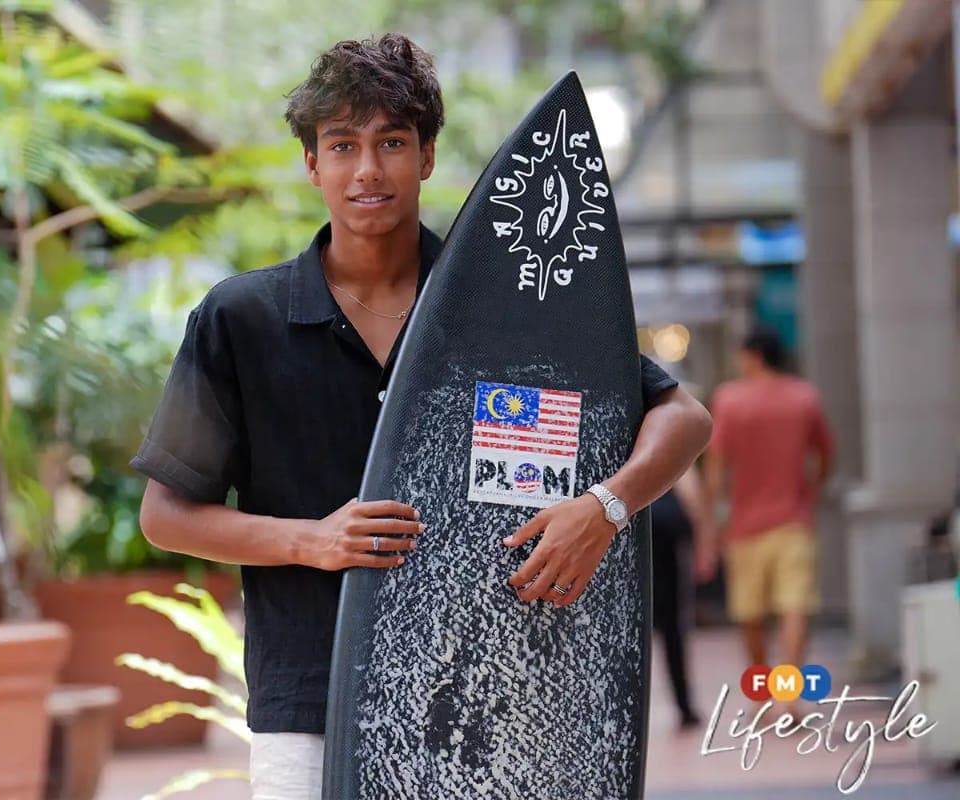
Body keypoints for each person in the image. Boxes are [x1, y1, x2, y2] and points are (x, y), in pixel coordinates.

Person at [131, 34, 712, 800]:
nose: (367, 170)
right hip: (310, 707)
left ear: (427, 156)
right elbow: (165, 515)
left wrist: (605, 506)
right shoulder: (243, 318)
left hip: (492, 703)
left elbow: (686, 418)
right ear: (313, 164)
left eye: (391, 143)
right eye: (342, 145)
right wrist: (309, 539)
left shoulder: (501, 314)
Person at [703, 326, 834, 687]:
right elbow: (825, 456)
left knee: (750, 612)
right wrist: (811, 491)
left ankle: (762, 692)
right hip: (795, 520)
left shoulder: (729, 400)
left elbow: (716, 472)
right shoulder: (805, 397)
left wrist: (712, 527)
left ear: (753, 355)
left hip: (744, 525)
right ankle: (789, 693)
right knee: (795, 606)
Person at [651, 467, 715, 729]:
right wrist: (704, 545)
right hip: (668, 538)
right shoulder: (669, 442)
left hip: (636, 532)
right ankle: (684, 705)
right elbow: (692, 493)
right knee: (673, 628)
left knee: (632, 631)